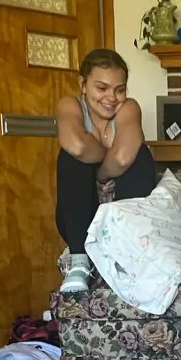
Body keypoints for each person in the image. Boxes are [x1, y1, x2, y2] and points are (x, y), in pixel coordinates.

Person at [55, 48, 156, 293]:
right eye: (101, 88)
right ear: (83, 84)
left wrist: (98, 173)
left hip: (126, 214)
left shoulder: (129, 108)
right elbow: (77, 146)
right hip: (81, 216)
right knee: (71, 158)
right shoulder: (70, 105)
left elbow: (122, 157)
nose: (111, 97)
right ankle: (79, 261)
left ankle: (129, 256)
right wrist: (103, 162)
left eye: (119, 90)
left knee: (140, 155)